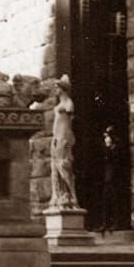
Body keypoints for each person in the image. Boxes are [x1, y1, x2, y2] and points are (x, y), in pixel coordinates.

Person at [49, 75, 78, 210]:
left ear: (63, 88)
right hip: (56, 137)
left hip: (63, 137)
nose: (55, 90)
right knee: (55, 168)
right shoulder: (60, 105)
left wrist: (66, 139)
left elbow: (69, 124)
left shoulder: (68, 104)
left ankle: (73, 197)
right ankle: (59, 196)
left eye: (57, 87)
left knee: (63, 166)